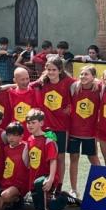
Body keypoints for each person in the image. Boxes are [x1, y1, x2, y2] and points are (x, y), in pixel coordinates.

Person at [31, 55, 74, 189]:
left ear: (60, 70)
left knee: (60, 156)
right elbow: (24, 85)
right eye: (48, 69)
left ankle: (59, 186)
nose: (51, 72)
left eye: (54, 69)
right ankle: (48, 184)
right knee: (48, 156)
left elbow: (83, 85)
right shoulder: (42, 82)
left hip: (61, 127)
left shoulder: (68, 82)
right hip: (47, 128)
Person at [25, 108, 66, 210]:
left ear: (41, 123)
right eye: (28, 123)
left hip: (47, 177)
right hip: (34, 177)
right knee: (36, 206)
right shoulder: (29, 139)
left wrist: (51, 179)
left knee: (39, 185)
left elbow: (53, 160)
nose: (30, 125)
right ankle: (62, 200)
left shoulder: (48, 140)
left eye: (33, 123)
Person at [67, 65, 100, 198]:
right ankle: (74, 190)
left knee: (93, 159)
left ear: (93, 77)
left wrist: (98, 82)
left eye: (86, 74)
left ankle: (103, 186)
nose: (83, 77)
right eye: (81, 74)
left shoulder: (99, 88)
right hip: (74, 130)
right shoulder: (74, 87)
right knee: (73, 158)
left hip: (90, 132)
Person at [0, 120, 29, 210]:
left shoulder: (26, 147)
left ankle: (18, 199)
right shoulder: (6, 149)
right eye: (9, 135)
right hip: (5, 184)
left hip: (18, 185)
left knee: (5, 196)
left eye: (15, 135)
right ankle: (12, 204)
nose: (11, 138)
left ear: (21, 136)